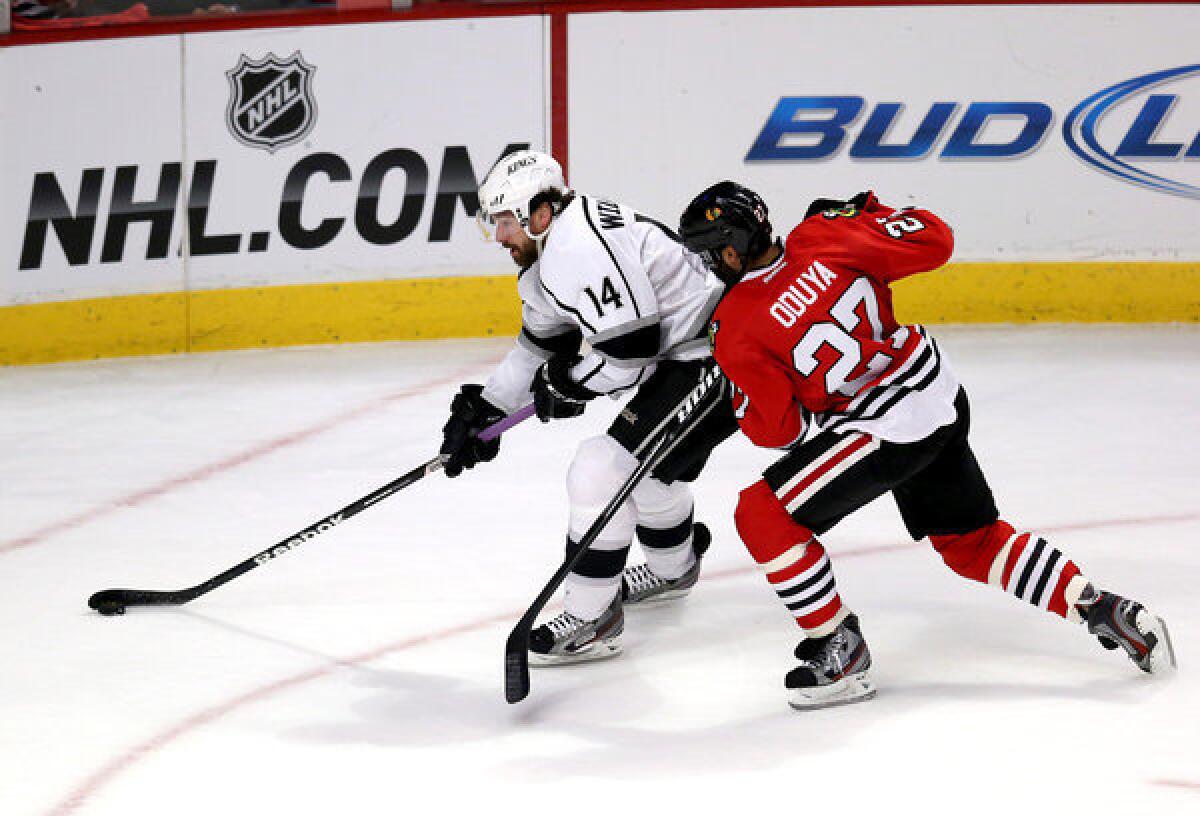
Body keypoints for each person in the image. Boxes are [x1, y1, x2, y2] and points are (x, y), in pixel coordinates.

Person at [677, 181, 1176, 710]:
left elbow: (778, 432)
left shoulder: (736, 327)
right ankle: (1104, 608)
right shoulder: (824, 233)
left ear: (731, 247)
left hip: (884, 429)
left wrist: (740, 389)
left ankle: (838, 648)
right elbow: (936, 240)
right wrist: (868, 215)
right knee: (972, 543)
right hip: (939, 394)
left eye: (710, 252)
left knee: (762, 515)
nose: (710, 264)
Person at [440, 151, 737, 665]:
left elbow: (630, 353)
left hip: (723, 354)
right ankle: (674, 569)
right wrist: (487, 408)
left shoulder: (575, 250)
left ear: (540, 214)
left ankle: (593, 615)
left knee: (601, 468)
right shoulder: (551, 254)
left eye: (506, 222)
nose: (500, 236)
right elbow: (540, 344)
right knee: (650, 471)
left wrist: (570, 385)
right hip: (688, 351)